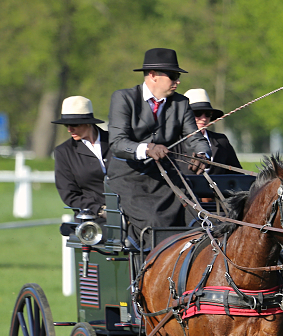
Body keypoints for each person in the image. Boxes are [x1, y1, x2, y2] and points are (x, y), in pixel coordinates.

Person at [106, 48, 210, 244]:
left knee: (200, 219)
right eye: (173, 76)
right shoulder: (124, 99)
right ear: (153, 76)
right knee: (155, 224)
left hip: (166, 179)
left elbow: (194, 137)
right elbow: (117, 142)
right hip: (130, 180)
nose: (178, 81)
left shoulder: (181, 103)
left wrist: (202, 154)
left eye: (177, 76)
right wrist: (146, 149)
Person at [52, 96, 108, 222]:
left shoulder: (115, 142)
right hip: (92, 217)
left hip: (129, 213)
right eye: (66, 125)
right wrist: (99, 209)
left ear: (88, 122)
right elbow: (69, 193)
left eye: (74, 125)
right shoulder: (64, 152)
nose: (69, 130)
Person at [181, 89, 242, 175]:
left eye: (208, 114)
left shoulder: (221, 141)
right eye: (197, 113)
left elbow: (237, 175)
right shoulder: (175, 142)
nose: (204, 119)